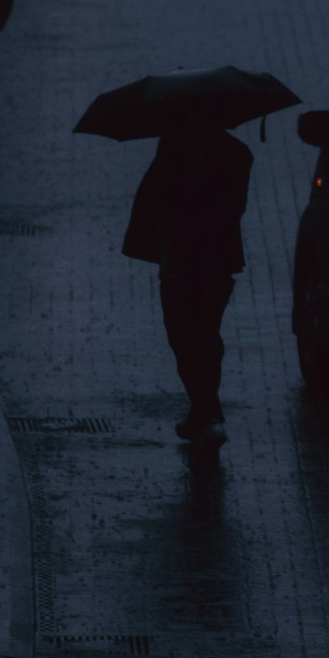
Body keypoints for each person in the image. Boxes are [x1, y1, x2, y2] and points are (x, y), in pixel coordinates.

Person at [122, 121, 253, 449]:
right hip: (218, 261)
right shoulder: (237, 153)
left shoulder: (174, 148)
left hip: (183, 260)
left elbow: (158, 204)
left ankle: (207, 412)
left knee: (184, 335)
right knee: (206, 333)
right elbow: (234, 208)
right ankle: (204, 412)